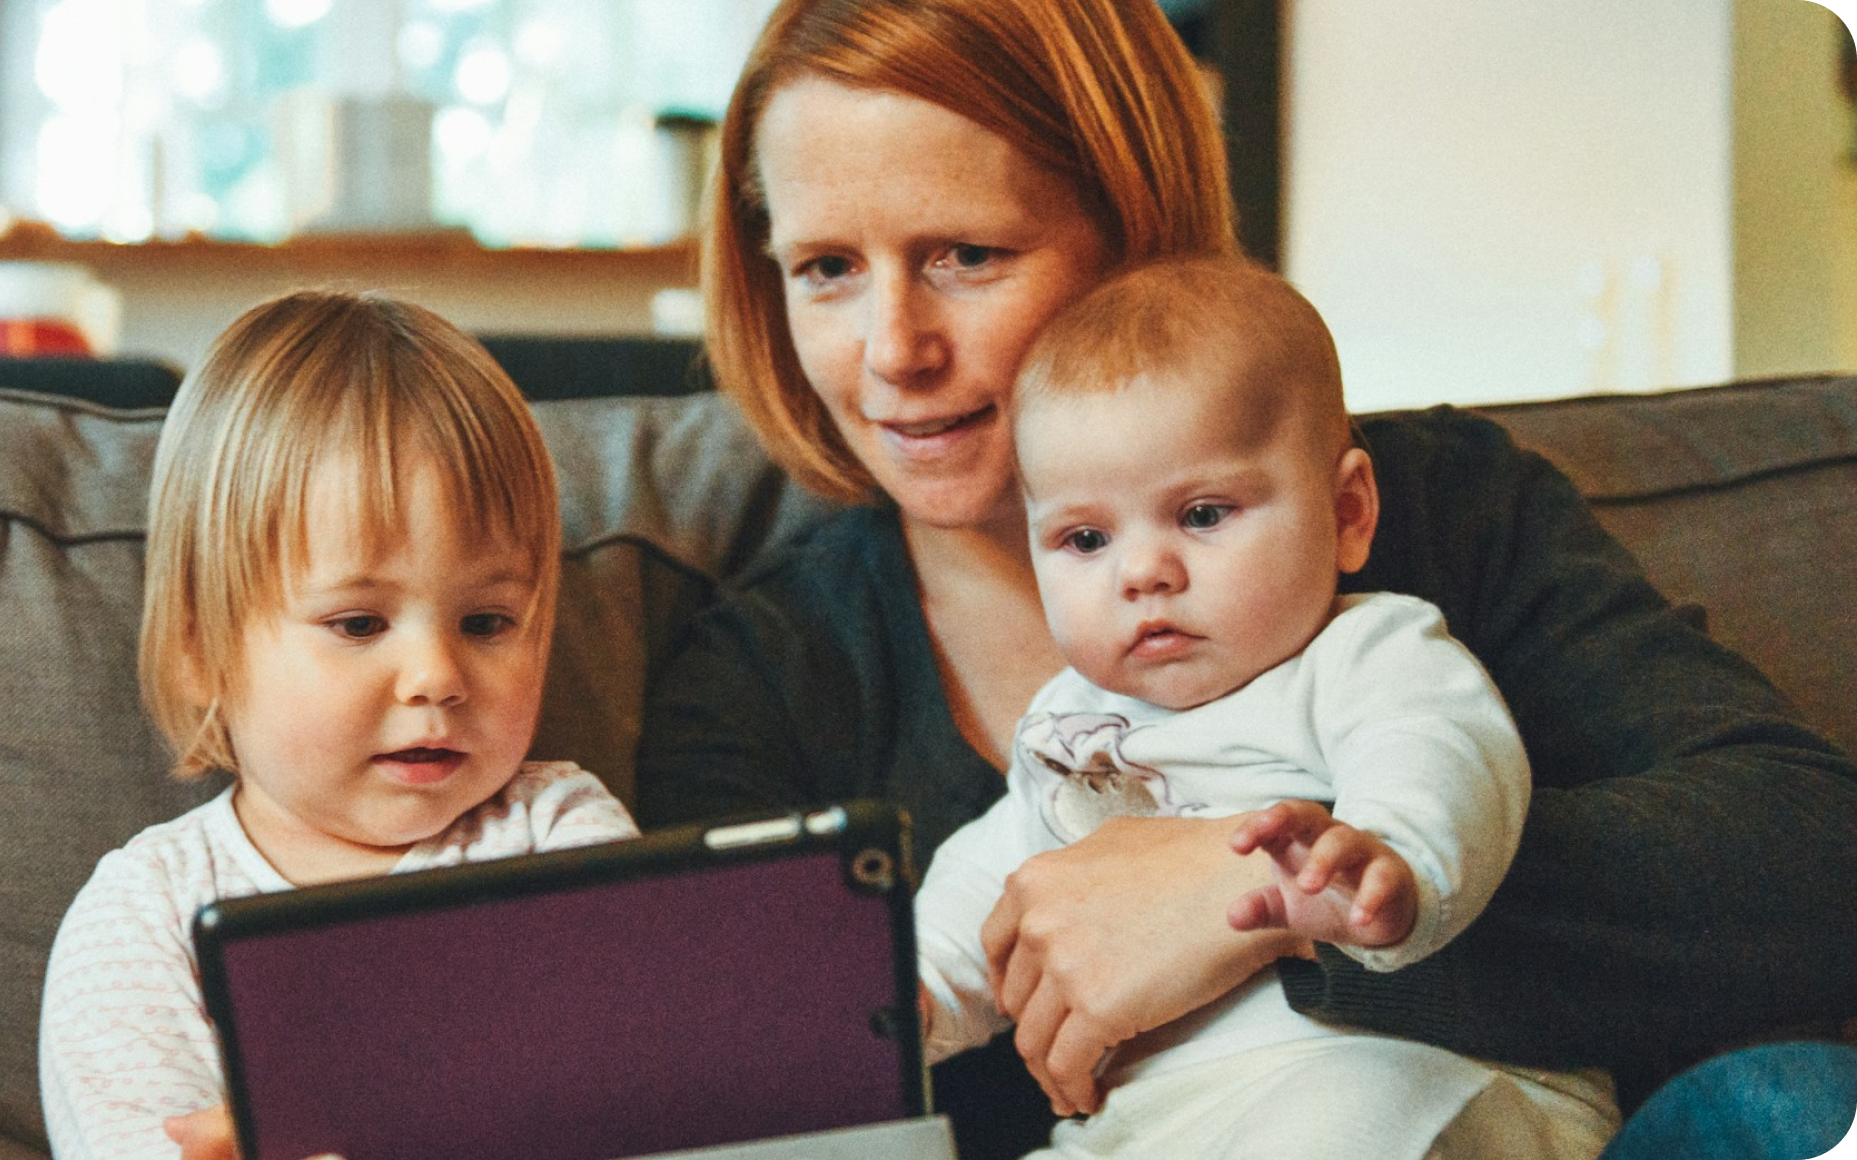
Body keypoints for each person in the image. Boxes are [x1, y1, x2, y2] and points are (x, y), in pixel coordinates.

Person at [635, 1, 1857, 1157]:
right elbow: (761, 1075)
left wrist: (1255, 893)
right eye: (826, 269)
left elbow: (1809, 859)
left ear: (1132, 228)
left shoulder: (1429, 510)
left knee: (1789, 1099)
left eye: (965, 253)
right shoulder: (757, 681)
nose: (894, 351)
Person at [910, 256, 1614, 1158]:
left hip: (1404, 1082)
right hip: (1154, 1126)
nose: (1143, 572)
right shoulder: (1068, 722)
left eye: (1203, 514)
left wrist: (1389, 862)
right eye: (1085, 538)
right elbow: (997, 880)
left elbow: (1439, 749)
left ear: (1349, 513)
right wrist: (910, 996)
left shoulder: (1365, 654)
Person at [38, 290, 640, 1160]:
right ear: (200, 648)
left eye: (487, 623)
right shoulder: (145, 920)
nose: (437, 677)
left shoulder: (562, 835)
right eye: (358, 625)